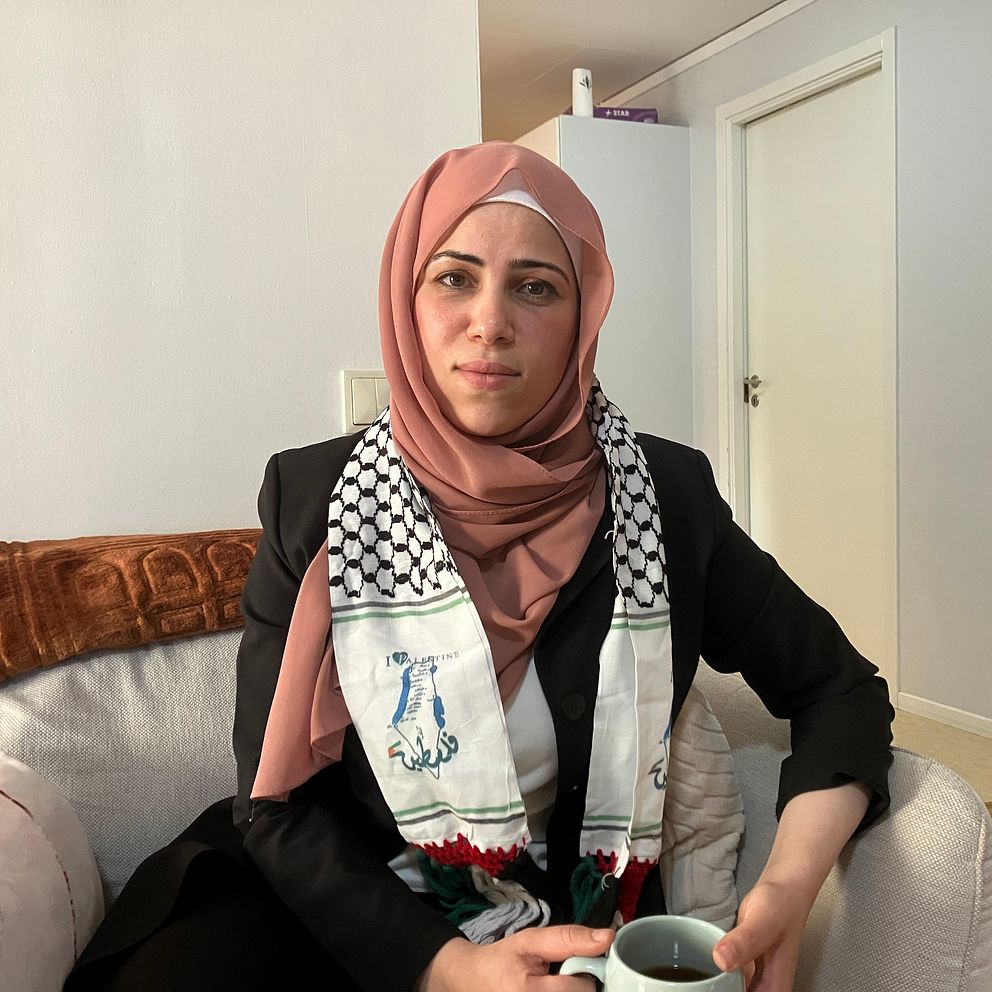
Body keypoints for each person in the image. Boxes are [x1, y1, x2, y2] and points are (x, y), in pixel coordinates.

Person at [67, 141, 892, 992]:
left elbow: (840, 691)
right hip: (327, 896)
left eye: (536, 287)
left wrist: (786, 891)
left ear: (584, 316)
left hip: (553, 918)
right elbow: (276, 806)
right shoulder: (314, 498)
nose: (490, 322)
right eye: (454, 278)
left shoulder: (666, 499)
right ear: (406, 301)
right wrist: (445, 967)